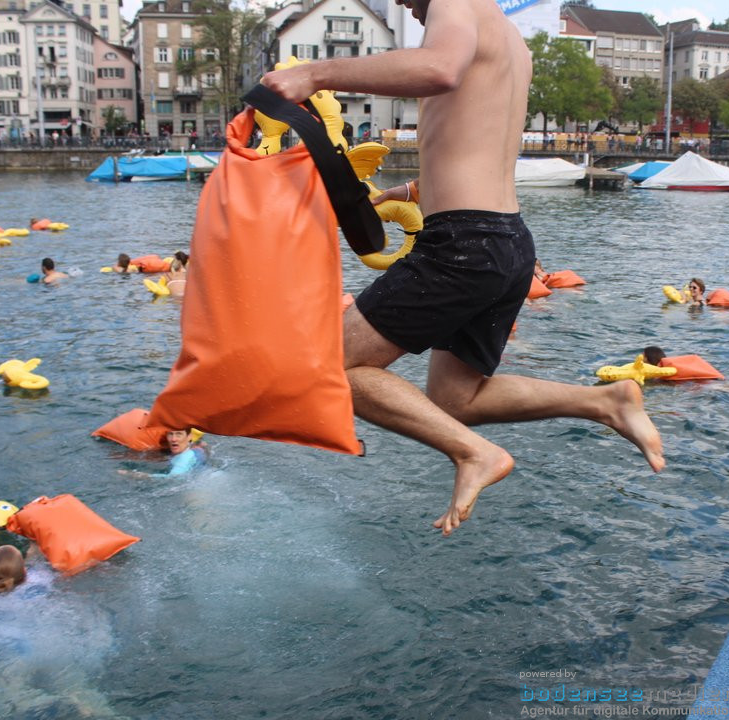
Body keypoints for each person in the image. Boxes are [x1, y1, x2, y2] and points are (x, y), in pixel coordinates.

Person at [259, 0, 663, 537]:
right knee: (457, 399)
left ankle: (474, 455)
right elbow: (467, 147)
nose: (398, 2)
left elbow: (436, 69)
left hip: (464, 245)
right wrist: (394, 195)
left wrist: (312, 72)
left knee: (329, 368)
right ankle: (605, 400)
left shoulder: (456, 3)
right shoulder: (509, 40)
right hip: (506, 240)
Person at [119, 428, 207, 477]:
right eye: (170, 434)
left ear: (189, 437)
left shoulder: (184, 458)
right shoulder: (195, 450)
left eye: (178, 434)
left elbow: (173, 478)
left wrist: (139, 475)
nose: (173, 439)